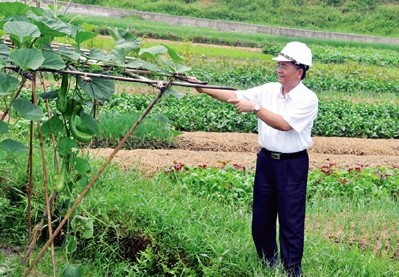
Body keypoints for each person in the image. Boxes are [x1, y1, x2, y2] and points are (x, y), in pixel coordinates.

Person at [192, 41, 318, 277]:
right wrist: (203, 88)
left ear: (299, 71)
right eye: (279, 65)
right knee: (261, 216)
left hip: (292, 164)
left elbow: (284, 124)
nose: (279, 69)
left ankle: (292, 270)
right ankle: (267, 262)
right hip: (267, 160)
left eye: (285, 65)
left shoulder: (308, 99)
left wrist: (256, 108)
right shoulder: (269, 89)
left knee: (290, 219)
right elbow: (236, 96)